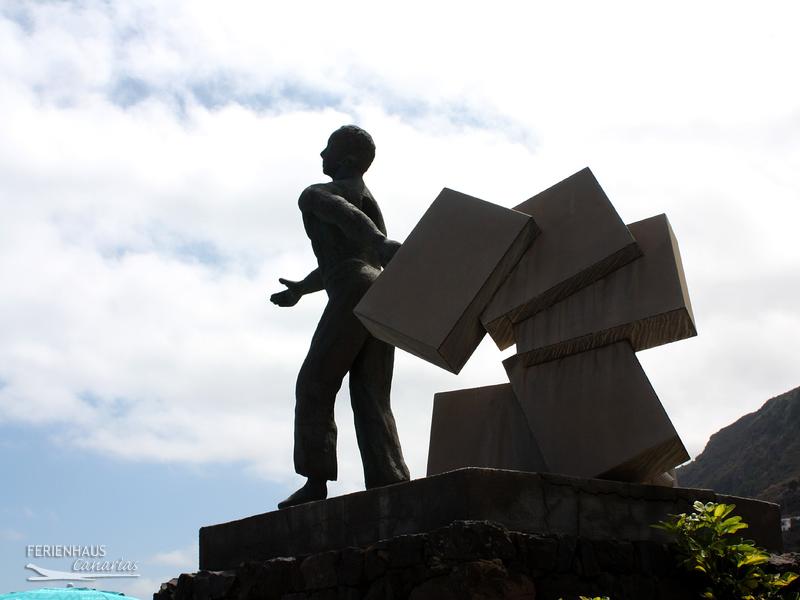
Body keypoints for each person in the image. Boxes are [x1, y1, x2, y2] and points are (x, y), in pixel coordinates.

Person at [270, 125, 410, 509]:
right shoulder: (371, 201)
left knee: (315, 382)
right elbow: (347, 256)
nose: (321, 155)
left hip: (354, 287)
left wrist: (379, 243)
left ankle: (315, 485)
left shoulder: (316, 194)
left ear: (346, 159)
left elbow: (344, 219)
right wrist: (301, 287)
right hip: (380, 290)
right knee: (372, 393)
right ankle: (390, 480)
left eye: (328, 148)